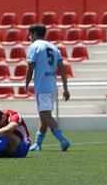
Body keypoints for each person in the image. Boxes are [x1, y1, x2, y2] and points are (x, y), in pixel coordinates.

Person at [25, 23, 71, 152]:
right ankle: (38, 144)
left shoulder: (34, 47)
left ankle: (63, 140)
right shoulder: (54, 47)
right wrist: (65, 89)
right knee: (43, 115)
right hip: (52, 86)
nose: (29, 37)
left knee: (45, 115)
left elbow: (30, 67)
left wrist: (27, 84)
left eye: (30, 34)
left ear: (34, 34)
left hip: (42, 86)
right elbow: (62, 69)